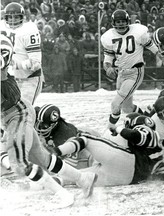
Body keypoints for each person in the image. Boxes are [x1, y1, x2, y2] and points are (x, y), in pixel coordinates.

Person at [0, 34, 96, 208]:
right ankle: (83, 178)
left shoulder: (5, 79)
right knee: (42, 158)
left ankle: (63, 194)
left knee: (19, 164)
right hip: (16, 114)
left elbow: (10, 94)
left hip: (17, 115)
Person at [45, 113, 164, 186]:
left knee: (85, 139)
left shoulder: (147, 133)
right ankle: (55, 180)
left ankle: (55, 152)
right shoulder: (154, 150)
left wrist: (117, 128)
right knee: (81, 177)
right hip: (127, 179)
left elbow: (135, 136)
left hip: (124, 162)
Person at [100, 9, 164, 130]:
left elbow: (154, 48)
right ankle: (148, 118)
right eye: (117, 21)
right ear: (113, 22)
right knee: (127, 108)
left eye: (122, 21)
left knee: (115, 104)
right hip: (121, 73)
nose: (120, 24)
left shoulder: (138, 32)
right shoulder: (109, 37)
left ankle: (111, 129)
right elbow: (107, 60)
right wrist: (108, 68)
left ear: (128, 21)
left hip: (135, 72)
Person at [1, 2, 43, 105]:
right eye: (10, 17)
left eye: (16, 17)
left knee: (24, 110)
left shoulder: (29, 30)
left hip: (29, 78)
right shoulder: (2, 28)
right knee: (8, 111)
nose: (12, 20)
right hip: (10, 79)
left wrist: (17, 65)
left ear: (22, 17)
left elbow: (36, 63)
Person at [34, 104, 100, 169]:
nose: (41, 128)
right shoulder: (45, 119)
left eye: (44, 126)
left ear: (54, 124)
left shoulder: (64, 137)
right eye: (39, 123)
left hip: (87, 145)